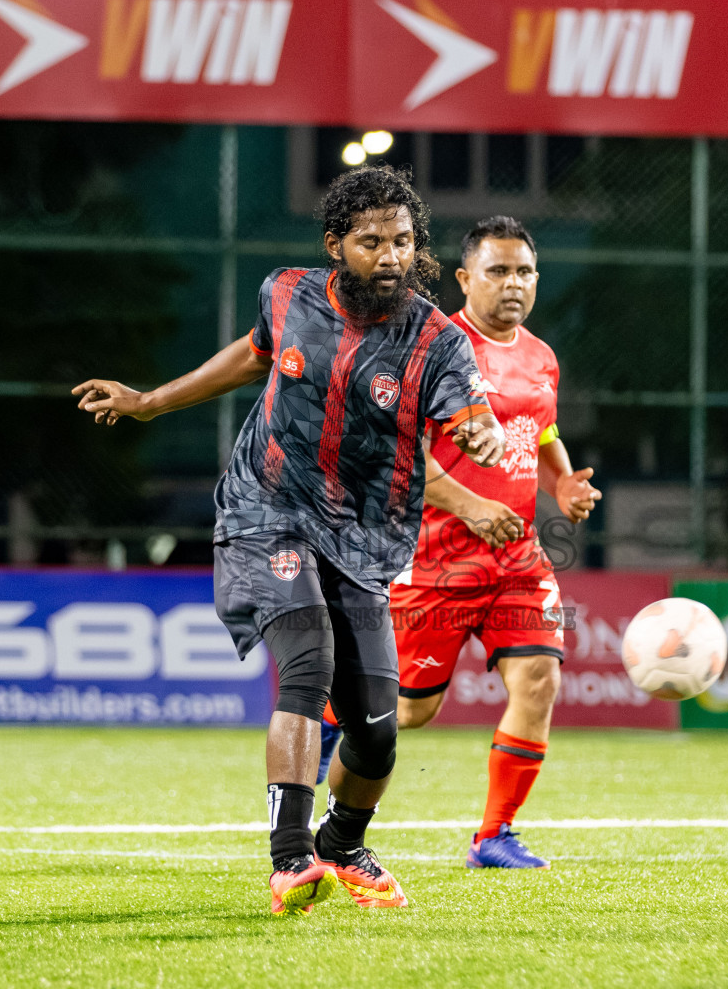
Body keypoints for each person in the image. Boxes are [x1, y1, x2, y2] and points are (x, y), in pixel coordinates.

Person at [71, 165, 505, 917]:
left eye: (403, 241)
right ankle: (290, 858)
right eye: (372, 242)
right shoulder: (287, 293)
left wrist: (480, 428)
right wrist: (149, 403)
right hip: (263, 511)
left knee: (376, 736)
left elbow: (469, 409)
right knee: (308, 662)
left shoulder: (437, 340)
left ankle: (342, 843)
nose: (392, 256)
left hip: (363, 539)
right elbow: (251, 354)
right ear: (337, 244)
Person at [317, 215, 600, 869]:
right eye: (498, 271)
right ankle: (331, 760)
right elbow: (400, 454)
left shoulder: (541, 357)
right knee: (406, 715)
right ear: (466, 278)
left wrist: (563, 487)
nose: (514, 284)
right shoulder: (431, 347)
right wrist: (471, 507)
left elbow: (543, 435)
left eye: (525, 271)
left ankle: (494, 835)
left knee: (538, 680)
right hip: (433, 562)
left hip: (519, 561)